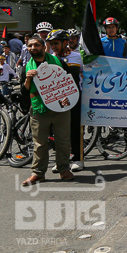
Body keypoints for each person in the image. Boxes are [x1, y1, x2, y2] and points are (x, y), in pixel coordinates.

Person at [21, 36, 74, 186]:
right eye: (30, 46)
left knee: (63, 141)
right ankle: (38, 174)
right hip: (39, 109)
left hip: (60, 108)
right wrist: (28, 79)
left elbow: (70, 83)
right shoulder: (27, 67)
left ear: (44, 47)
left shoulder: (58, 62)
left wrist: (68, 97)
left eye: (36, 45)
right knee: (39, 143)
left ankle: (64, 169)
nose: (33, 48)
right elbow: (24, 91)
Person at [46, 29, 84, 171]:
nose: (53, 46)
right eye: (51, 44)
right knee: (58, 130)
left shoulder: (77, 57)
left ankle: (78, 158)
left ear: (65, 42)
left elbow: (84, 73)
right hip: (56, 99)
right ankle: (61, 160)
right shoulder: (49, 58)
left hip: (74, 97)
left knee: (75, 128)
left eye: (56, 43)